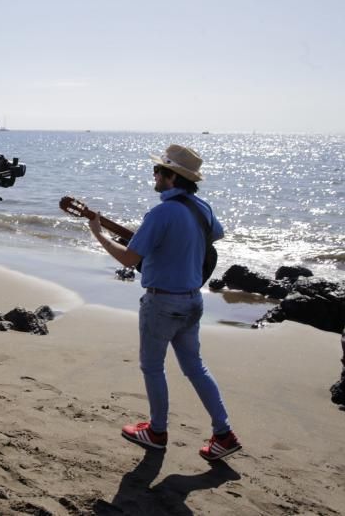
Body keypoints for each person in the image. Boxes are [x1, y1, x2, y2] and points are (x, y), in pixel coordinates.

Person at [88, 144, 241, 461]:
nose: (154, 174)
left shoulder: (161, 212)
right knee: (195, 367)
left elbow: (129, 259)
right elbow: (214, 237)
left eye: (158, 170)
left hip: (162, 303)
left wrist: (98, 235)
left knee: (152, 367)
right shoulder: (202, 208)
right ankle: (223, 433)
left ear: (171, 177)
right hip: (192, 299)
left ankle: (156, 432)